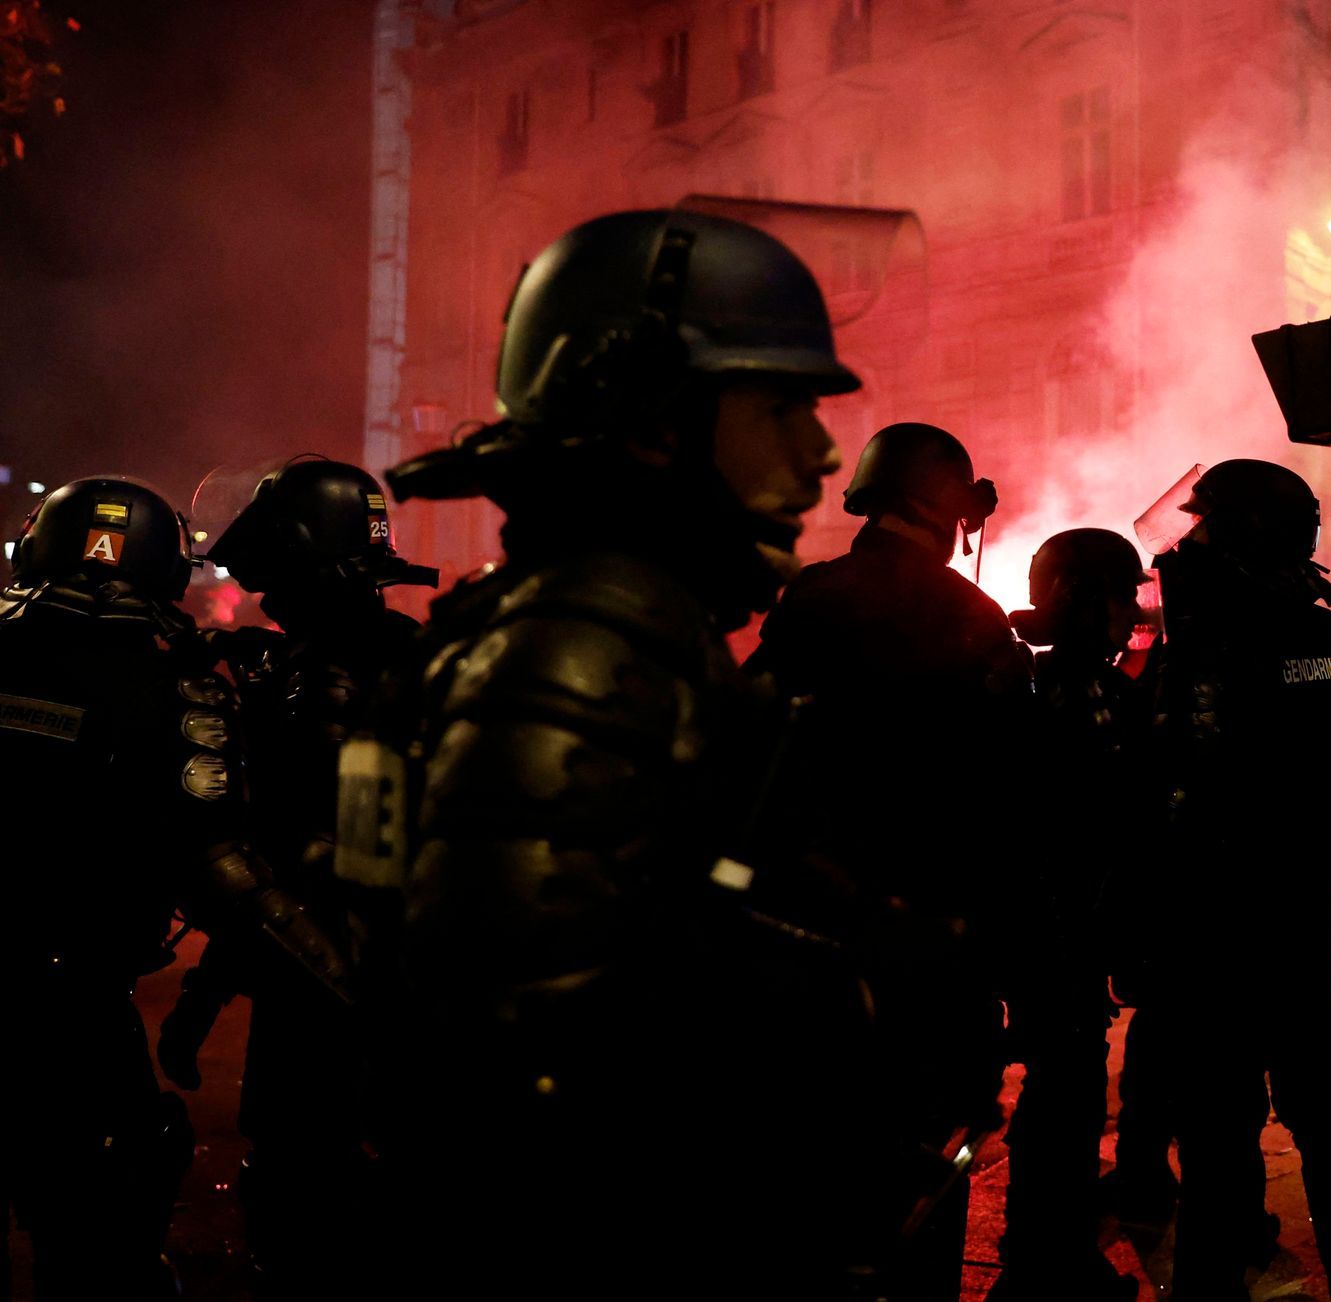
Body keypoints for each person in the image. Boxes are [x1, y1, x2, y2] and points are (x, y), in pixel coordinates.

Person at [350, 209, 864, 1296]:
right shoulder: (589, 635)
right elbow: (523, 1058)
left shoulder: (619, 618)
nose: (821, 454)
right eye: (780, 408)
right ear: (650, 424)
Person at [0, 477, 347, 1300]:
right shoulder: (179, 690)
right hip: (74, 1005)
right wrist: (351, 980)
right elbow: (220, 861)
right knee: (103, 1242)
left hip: (57, 992)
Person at [750, 420, 1029, 1302]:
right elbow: (1006, 796)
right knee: (929, 1183)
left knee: (815, 1182)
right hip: (934, 952)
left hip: (811, 943)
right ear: (943, 504)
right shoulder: (973, 617)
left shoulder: (813, 597)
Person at [155, 457, 436, 1296]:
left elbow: (298, 856)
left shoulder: (327, 675)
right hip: (391, 994)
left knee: (309, 1224)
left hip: (332, 1010)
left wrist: (209, 990)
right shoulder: (400, 652)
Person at [1142, 459, 1331, 1302]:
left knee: (1222, 1128)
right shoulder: (1315, 638)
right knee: (1323, 1116)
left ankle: (1215, 1285)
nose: (1191, 540)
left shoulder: (1205, 645)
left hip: (1217, 930)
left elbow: (1160, 790)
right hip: (1288, 924)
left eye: (1206, 523)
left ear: (1244, 534)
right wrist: (1316, 865)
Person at [991, 528, 1153, 1302]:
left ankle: (1047, 1251)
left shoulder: (1086, 681)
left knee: (1070, 1091)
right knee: (1064, 1095)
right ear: (1086, 598)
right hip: (1055, 931)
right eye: (1123, 596)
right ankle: (1043, 1264)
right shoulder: (1043, 689)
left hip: (1070, 931)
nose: (1133, 612)